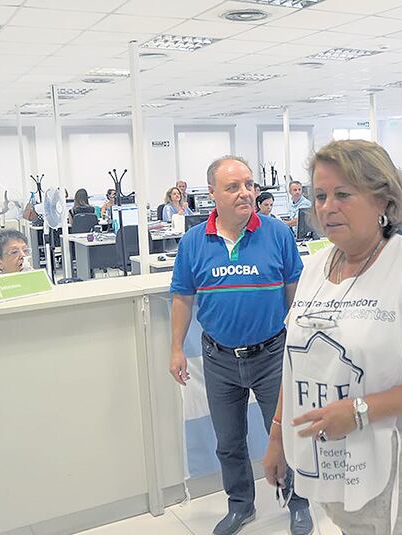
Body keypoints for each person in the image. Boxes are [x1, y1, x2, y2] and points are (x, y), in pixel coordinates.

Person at [262, 139, 402, 535]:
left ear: (383, 199)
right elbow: (298, 362)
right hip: (338, 470)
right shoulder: (315, 269)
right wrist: (278, 436)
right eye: (320, 196)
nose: (327, 207)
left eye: (343, 194)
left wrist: (361, 411)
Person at [169, 156, 312, 535]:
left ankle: (298, 502)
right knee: (229, 441)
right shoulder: (193, 242)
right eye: (233, 187)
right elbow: (182, 296)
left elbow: (294, 291)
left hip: (272, 355)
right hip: (219, 359)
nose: (245, 193)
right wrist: (176, 349)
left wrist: (300, 343)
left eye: (249, 184)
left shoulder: (277, 233)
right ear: (212, 194)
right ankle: (240, 505)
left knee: (286, 434)